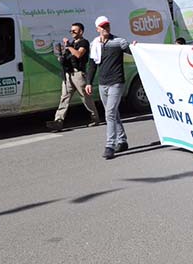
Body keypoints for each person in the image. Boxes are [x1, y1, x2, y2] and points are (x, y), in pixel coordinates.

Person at [85, 16, 134, 160]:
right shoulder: (95, 44)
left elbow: (133, 51)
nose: (106, 28)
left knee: (110, 114)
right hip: (103, 83)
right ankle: (122, 141)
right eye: (103, 26)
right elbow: (92, 65)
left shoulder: (119, 42)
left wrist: (135, 46)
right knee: (113, 113)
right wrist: (89, 82)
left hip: (116, 82)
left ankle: (110, 146)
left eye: (107, 26)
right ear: (97, 29)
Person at [46, 22, 101, 131]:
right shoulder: (71, 44)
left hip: (78, 74)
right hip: (68, 75)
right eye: (71, 31)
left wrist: (68, 46)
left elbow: (79, 54)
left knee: (85, 97)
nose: (72, 33)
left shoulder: (84, 43)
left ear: (81, 31)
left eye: (74, 31)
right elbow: (68, 57)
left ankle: (95, 118)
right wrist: (61, 58)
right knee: (64, 98)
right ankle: (58, 121)